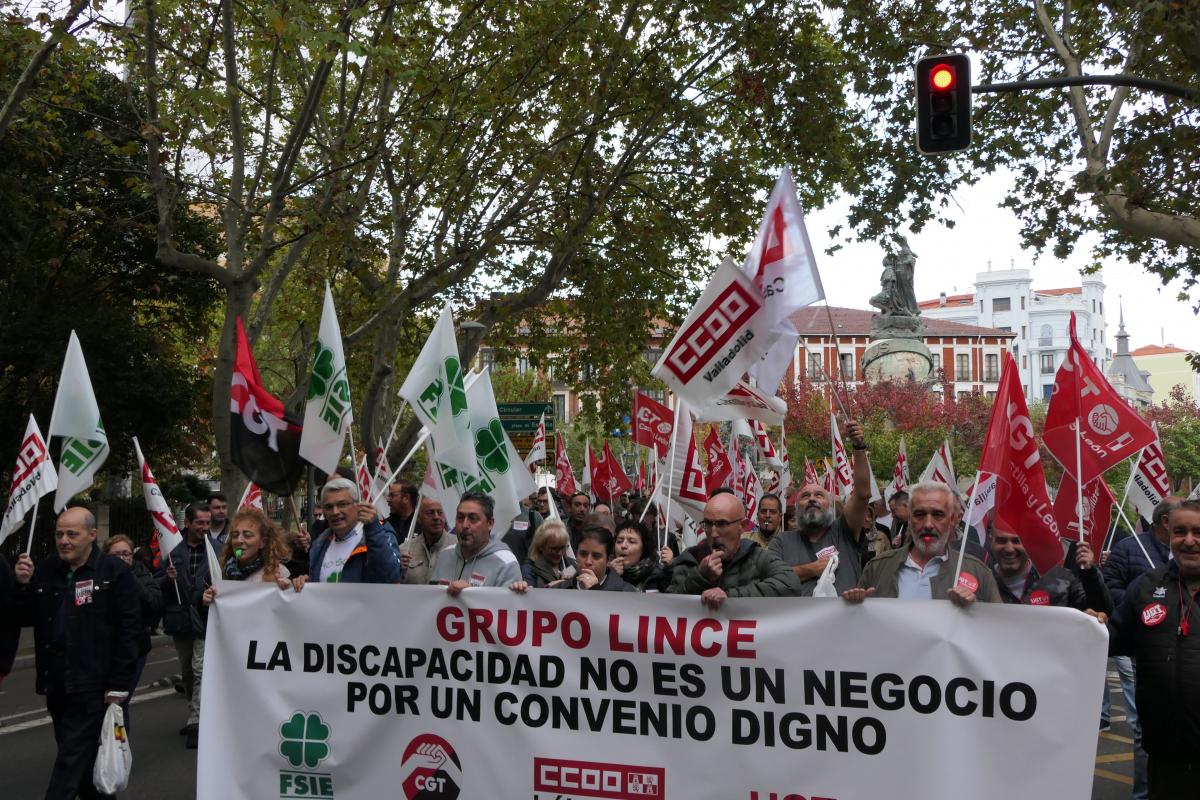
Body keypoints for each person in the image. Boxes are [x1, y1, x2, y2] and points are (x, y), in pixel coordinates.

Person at [11, 507, 141, 799]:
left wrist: (119, 684)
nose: (64, 540)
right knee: (82, 764)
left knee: (70, 762)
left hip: (94, 686)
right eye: (59, 534)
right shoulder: (45, 570)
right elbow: (24, 616)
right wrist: (22, 587)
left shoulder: (114, 572)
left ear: (92, 535)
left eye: (72, 534)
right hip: (57, 683)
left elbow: (129, 631)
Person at [1103, 500, 1200, 798]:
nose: (1189, 540)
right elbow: (1112, 640)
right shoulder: (1146, 586)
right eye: (1180, 531)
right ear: (1169, 535)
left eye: (1198, 532)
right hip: (1165, 751)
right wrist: (1092, 626)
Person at [842, 481, 1000, 606]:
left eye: (938, 515)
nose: (928, 524)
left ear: (952, 520)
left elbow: (994, 631)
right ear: (909, 519)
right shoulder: (877, 568)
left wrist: (977, 609)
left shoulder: (978, 572)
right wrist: (855, 606)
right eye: (920, 514)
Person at [768, 420, 871, 596]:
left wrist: (859, 448)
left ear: (830, 505)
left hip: (845, 621)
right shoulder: (782, 542)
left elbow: (862, 494)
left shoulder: (844, 531)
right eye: (805, 496)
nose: (812, 499)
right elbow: (770, 579)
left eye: (819, 495)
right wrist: (812, 569)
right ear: (796, 508)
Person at [666, 491, 801, 609]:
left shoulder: (757, 557)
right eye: (707, 524)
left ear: (742, 526)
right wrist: (700, 577)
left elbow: (790, 584)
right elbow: (667, 606)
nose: (713, 534)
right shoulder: (691, 559)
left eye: (722, 524)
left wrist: (731, 596)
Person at [158, 502, 212, 748]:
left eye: (207, 523)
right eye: (200, 522)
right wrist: (167, 580)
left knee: (200, 669)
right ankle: (194, 708)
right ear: (188, 523)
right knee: (188, 671)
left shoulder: (216, 549)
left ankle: (197, 721)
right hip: (180, 620)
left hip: (205, 619)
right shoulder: (172, 550)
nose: (204, 527)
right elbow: (156, 582)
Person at [101, 535, 162, 731]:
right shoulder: (97, 575)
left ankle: (119, 753)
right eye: (115, 554)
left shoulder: (141, 574)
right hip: (103, 650)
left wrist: (129, 580)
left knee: (119, 703)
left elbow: (154, 603)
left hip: (133, 651)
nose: (121, 558)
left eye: (125, 554)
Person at [297, 478, 402, 587]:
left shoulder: (380, 535)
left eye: (342, 504)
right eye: (329, 507)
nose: (335, 512)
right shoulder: (319, 544)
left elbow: (391, 579)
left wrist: (373, 529)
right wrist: (306, 583)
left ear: (358, 505)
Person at [990, 525, 1112, 612]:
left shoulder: (1061, 580)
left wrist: (1090, 573)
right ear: (991, 542)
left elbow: (1101, 610)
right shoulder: (981, 579)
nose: (1009, 549)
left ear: (1029, 543)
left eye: (1017, 541)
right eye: (1001, 541)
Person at [430, 492, 523, 595]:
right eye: (460, 518)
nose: (465, 525)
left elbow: (509, 608)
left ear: (490, 524)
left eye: (473, 518)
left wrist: (472, 596)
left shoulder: (506, 564)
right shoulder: (445, 555)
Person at [201, 508, 292, 601]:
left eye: (247, 535)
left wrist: (289, 589)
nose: (239, 540)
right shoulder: (219, 572)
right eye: (235, 535)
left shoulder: (279, 573)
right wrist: (206, 600)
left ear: (262, 542)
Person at [546, 527, 634, 592]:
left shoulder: (627, 593)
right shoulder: (557, 590)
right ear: (576, 555)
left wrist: (595, 590)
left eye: (596, 556)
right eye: (583, 554)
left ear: (608, 560)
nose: (588, 562)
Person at [401, 497, 450, 585]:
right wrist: (399, 571)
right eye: (430, 513)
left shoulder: (459, 547)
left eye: (440, 512)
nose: (436, 517)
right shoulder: (404, 550)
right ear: (419, 518)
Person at [611, 519, 663, 592]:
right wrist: (611, 577)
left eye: (631, 542)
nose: (623, 546)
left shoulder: (659, 574)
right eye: (619, 541)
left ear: (644, 548)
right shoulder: (606, 571)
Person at [521, 519, 576, 588]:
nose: (559, 553)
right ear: (541, 546)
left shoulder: (571, 564)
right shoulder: (530, 569)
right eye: (554, 549)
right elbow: (531, 596)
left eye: (562, 547)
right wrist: (550, 586)